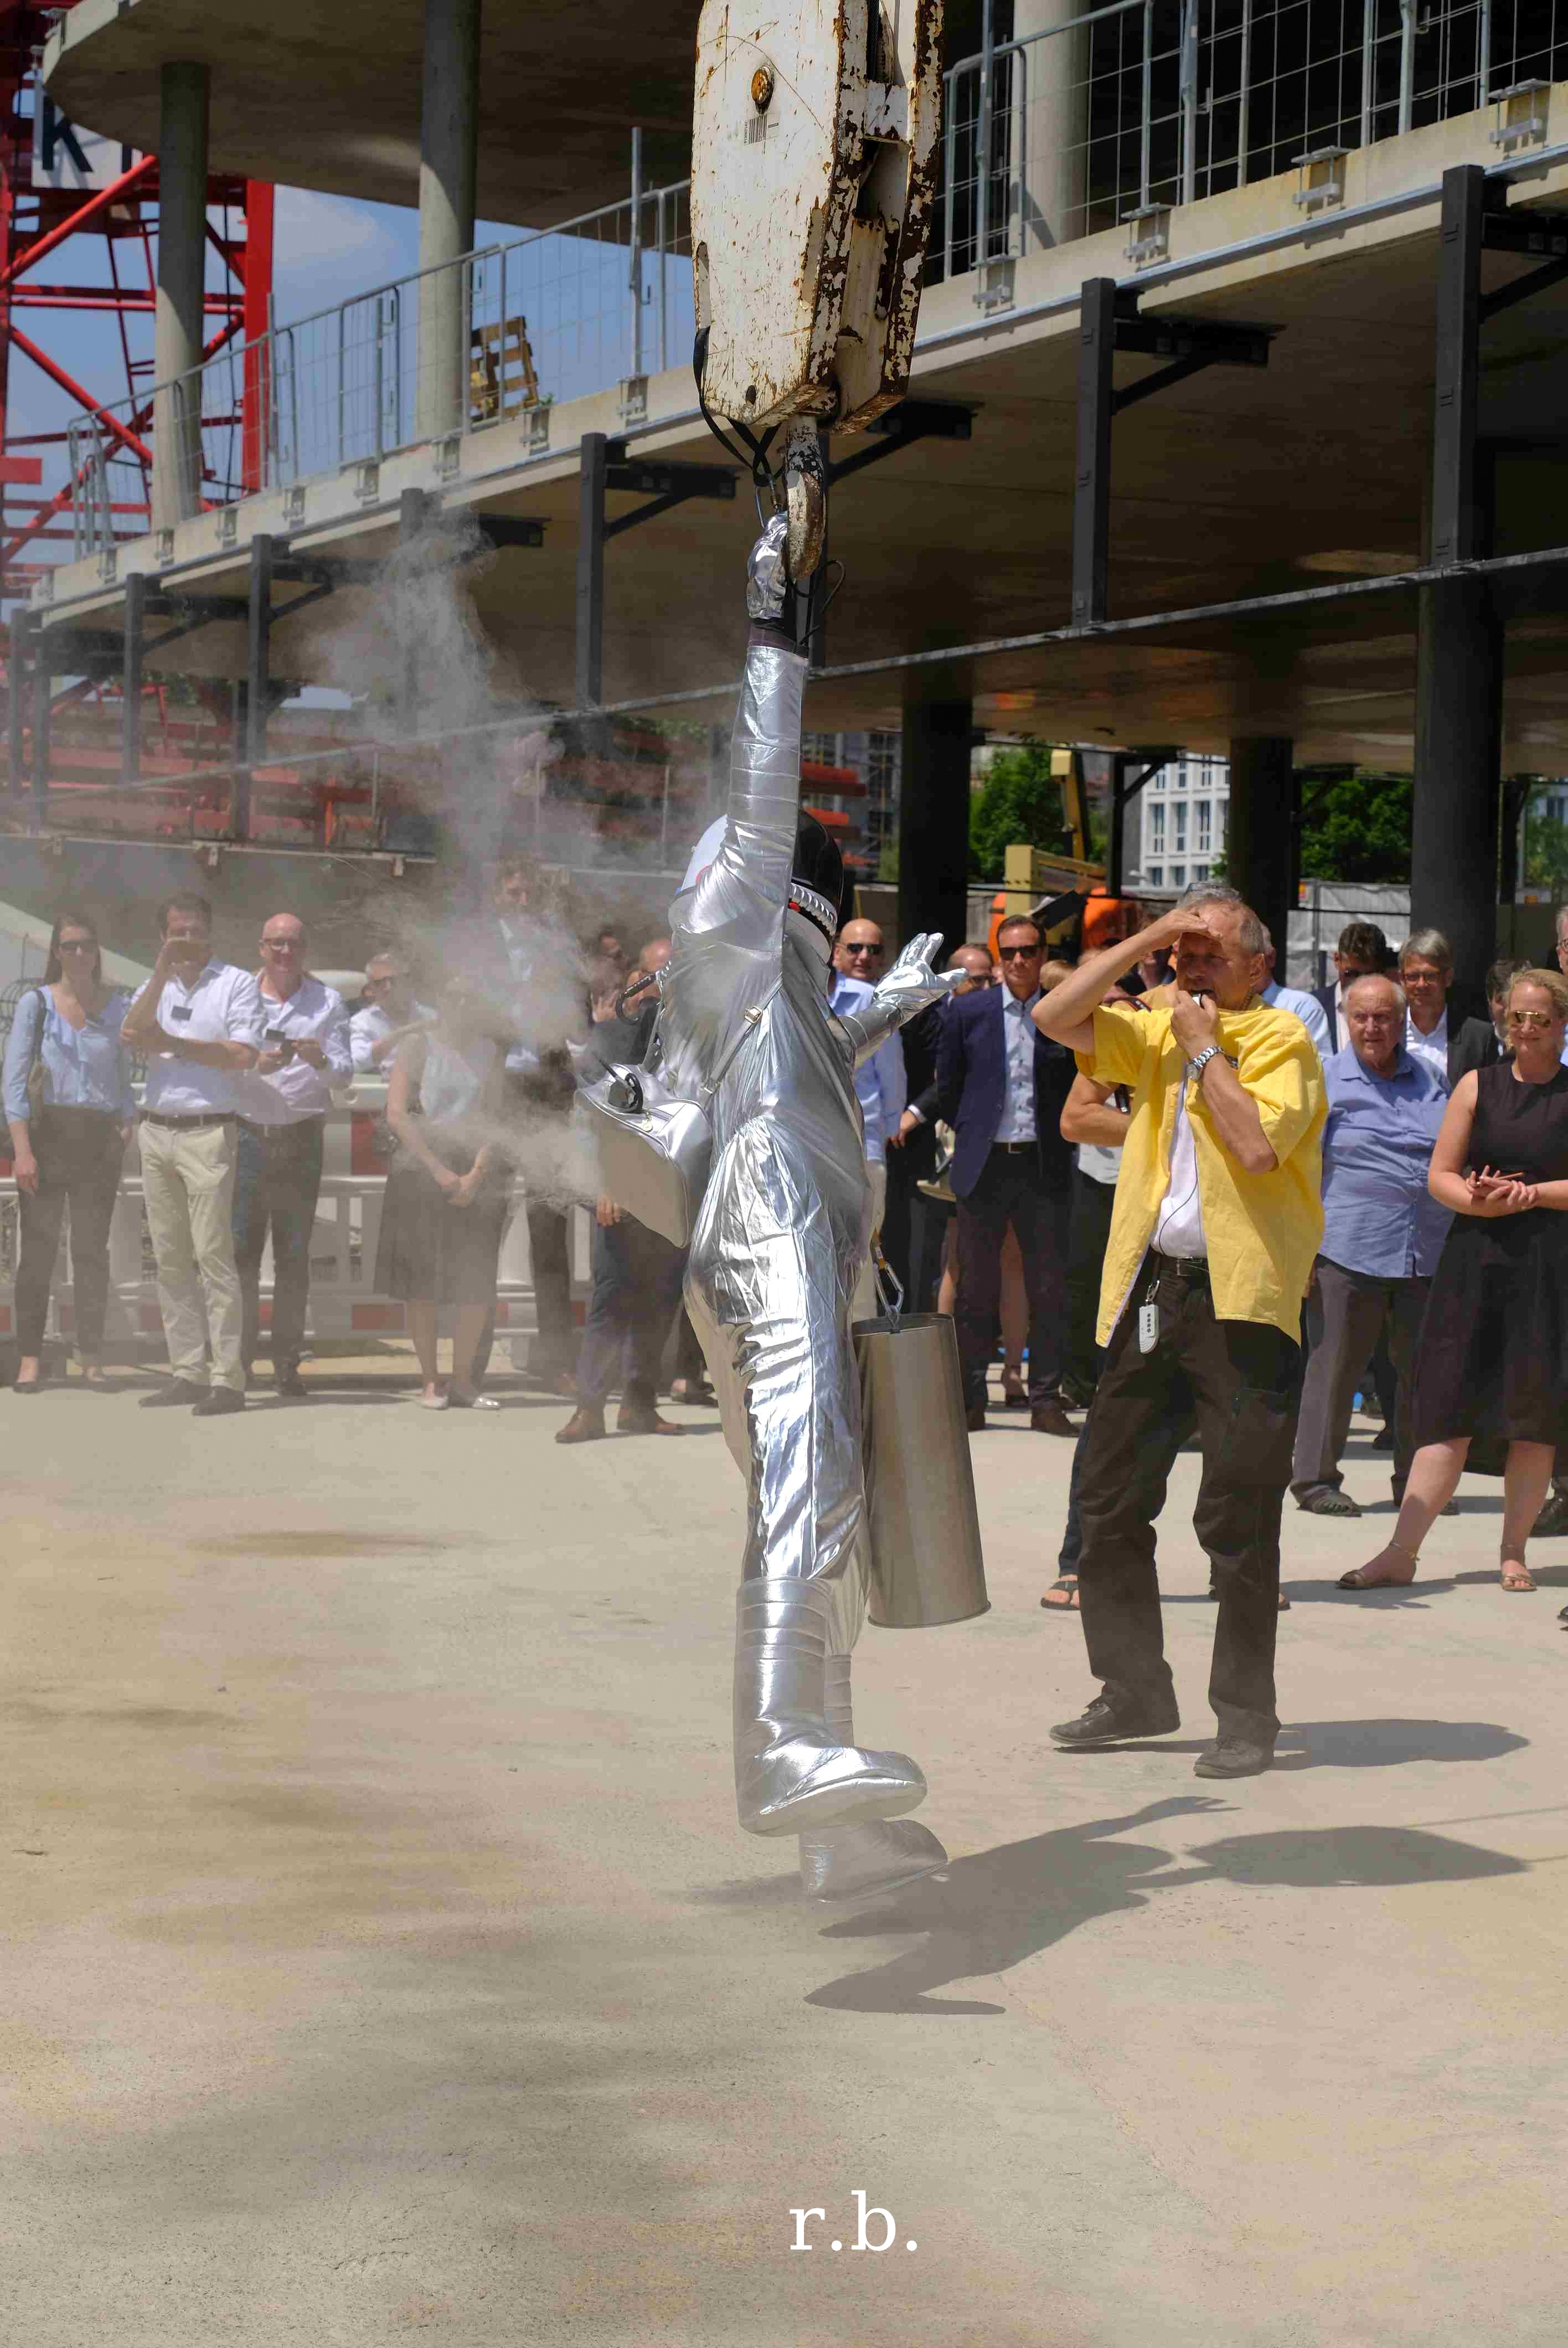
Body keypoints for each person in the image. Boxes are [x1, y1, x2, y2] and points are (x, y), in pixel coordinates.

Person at [662, 518, 961, 1906]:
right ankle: (785, 1746)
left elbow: (808, 1050)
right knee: (808, 1481)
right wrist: (777, 634)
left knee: (813, 1496)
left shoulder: (768, 996)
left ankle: (828, 1822)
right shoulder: (735, 920)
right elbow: (763, 779)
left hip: (797, 1225)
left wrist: (890, 1001)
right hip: (777, 1214)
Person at [1035, 882, 1326, 1779]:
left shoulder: (1283, 1041)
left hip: (1243, 1304)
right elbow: (1054, 1016)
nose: (1190, 968)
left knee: (1235, 1514)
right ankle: (1134, 1691)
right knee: (1108, 1501)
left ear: (1258, 967)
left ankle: (1244, 1714)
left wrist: (1203, 1051)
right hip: (1152, 1292)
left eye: (1210, 953)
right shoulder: (1157, 1027)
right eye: (1184, 954)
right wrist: (1150, 934)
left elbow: (1251, 1147)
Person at [1339, 968, 1568, 1597]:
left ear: (1562, 1024)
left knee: (1534, 1416)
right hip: (1475, 1260)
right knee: (1445, 1412)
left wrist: (1529, 1194)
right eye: (1516, 1018)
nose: (1525, 1029)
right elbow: (1440, 1173)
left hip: (1548, 1270)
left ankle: (1514, 1551)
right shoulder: (1477, 1084)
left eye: (1540, 1019)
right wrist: (1474, 1200)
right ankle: (1400, 1551)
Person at [1291, 974, 1451, 1518]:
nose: (1371, 1027)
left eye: (1383, 1016)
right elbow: (1300, 1168)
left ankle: (1416, 1483)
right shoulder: (1325, 1080)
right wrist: (1303, 1252)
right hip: (1346, 1248)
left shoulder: (1430, 1079)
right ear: (1346, 1018)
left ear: (1401, 1020)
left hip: (1422, 1251)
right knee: (1332, 1367)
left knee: (1419, 1375)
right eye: (1360, 1016)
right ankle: (1314, 1481)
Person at [121, 893, 265, 1415]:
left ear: (210, 932)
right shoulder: (154, 983)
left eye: (194, 931)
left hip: (208, 1133)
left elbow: (244, 1055)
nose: (186, 940)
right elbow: (130, 1034)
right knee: (170, 1258)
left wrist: (174, 1044)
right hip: (156, 1131)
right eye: (177, 932)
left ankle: (228, 1379)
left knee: (213, 1257)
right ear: (163, 937)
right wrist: (159, 975)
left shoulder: (236, 984)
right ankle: (186, 1370)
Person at [933, 914, 1077, 1434]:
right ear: (999, 957)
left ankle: (1045, 1401)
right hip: (985, 1164)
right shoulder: (968, 1012)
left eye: (1030, 951)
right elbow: (948, 1086)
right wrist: (972, 1131)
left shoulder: (1061, 1011)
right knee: (975, 1287)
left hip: (1044, 1165)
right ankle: (971, 1398)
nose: (1020, 961)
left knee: (1048, 1287)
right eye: (1011, 952)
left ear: (1043, 955)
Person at [557, 959, 687, 1444]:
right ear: (635, 984)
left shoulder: (687, 1035)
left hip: (670, 1189)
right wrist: (609, 1185)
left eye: (674, 975)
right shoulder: (612, 1036)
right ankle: (589, 1409)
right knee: (611, 1303)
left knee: (659, 1301)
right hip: (620, 1189)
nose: (662, 988)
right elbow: (597, 1115)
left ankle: (639, 1404)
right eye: (654, 978)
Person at [3, 911, 133, 1391]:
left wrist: (126, 1122)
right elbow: (14, 1083)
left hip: (98, 1139)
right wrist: (22, 1151)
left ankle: (92, 1356)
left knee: (91, 1254)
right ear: (56, 951)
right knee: (37, 1254)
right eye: (70, 945)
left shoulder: (115, 1006)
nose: (79, 953)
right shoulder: (36, 1005)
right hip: (49, 1136)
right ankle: (30, 1358)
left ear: (97, 952)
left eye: (87, 945)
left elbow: (124, 1076)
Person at [375, 965, 513, 1411]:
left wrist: (474, 1174)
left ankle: (464, 1383)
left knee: (474, 1284)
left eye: (470, 997)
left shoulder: (490, 1052)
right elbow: (397, 1114)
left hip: (474, 1169)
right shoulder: (417, 1047)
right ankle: (431, 1381)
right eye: (453, 996)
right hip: (421, 1168)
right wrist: (439, 1172)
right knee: (424, 1284)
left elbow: (496, 1118)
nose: (461, 1004)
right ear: (440, 1000)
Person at [231, 913, 352, 1398]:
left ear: (306, 950)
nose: (285, 952)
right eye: (276, 944)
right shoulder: (238, 996)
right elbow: (218, 1062)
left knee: (293, 1258)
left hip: (302, 1137)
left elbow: (344, 1075)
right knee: (240, 1256)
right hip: (246, 1136)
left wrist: (320, 1059)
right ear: (261, 947)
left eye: (294, 945)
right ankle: (236, 1363)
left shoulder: (329, 1002)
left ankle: (286, 1365)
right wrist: (254, 1065)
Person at [490, 855, 578, 1395]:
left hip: (545, 1092)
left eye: (530, 896)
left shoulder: (556, 949)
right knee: (481, 1218)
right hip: (495, 1092)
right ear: (499, 896)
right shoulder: (478, 948)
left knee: (550, 1230)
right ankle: (469, 1361)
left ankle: (555, 1359)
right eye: (514, 894)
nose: (523, 904)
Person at [829, 918, 907, 1319]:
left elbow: (891, 1072)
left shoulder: (872, 999)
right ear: (836, 949)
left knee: (860, 1256)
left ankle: (860, 1364)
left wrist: (889, 1127)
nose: (863, 957)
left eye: (873, 950)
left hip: (863, 1146)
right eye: (854, 948)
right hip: (809, 1146)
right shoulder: (798, 995)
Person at [1399, 928, 1497, 1088]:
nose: (1421, 984)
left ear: (1448, 978)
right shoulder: (1389, 1033)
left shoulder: (1479, 1038)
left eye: (1430, 976)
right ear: (1402, 980)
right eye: (1413, 976)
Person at [1312, 921, 1390, 1052]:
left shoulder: (1396, 1010)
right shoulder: (1314, 1006)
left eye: (1368, 975)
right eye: (1351, 974)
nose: (1359, 984)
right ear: (1337, 960)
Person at [349, 952, 434, 1073]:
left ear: (407, 981)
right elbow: (356, 1063)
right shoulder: (361, 1022)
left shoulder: (430, 1017)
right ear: (370, 989)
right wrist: (401, 1034)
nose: (388, 987)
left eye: (394, 980)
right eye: (379, 983)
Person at [1260, 932, 1332, 1059]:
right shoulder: (1217, 1007)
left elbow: (1321, 1070)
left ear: (1271, 958)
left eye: (1253, 960)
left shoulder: (1302, 1008)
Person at [1486, 955, 1534, 1052]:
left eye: (1518, 999)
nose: (1509, 1008)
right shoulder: (1478, 1043)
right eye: (1502, 999)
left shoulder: (1542, 1045)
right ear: (1489, 1000)